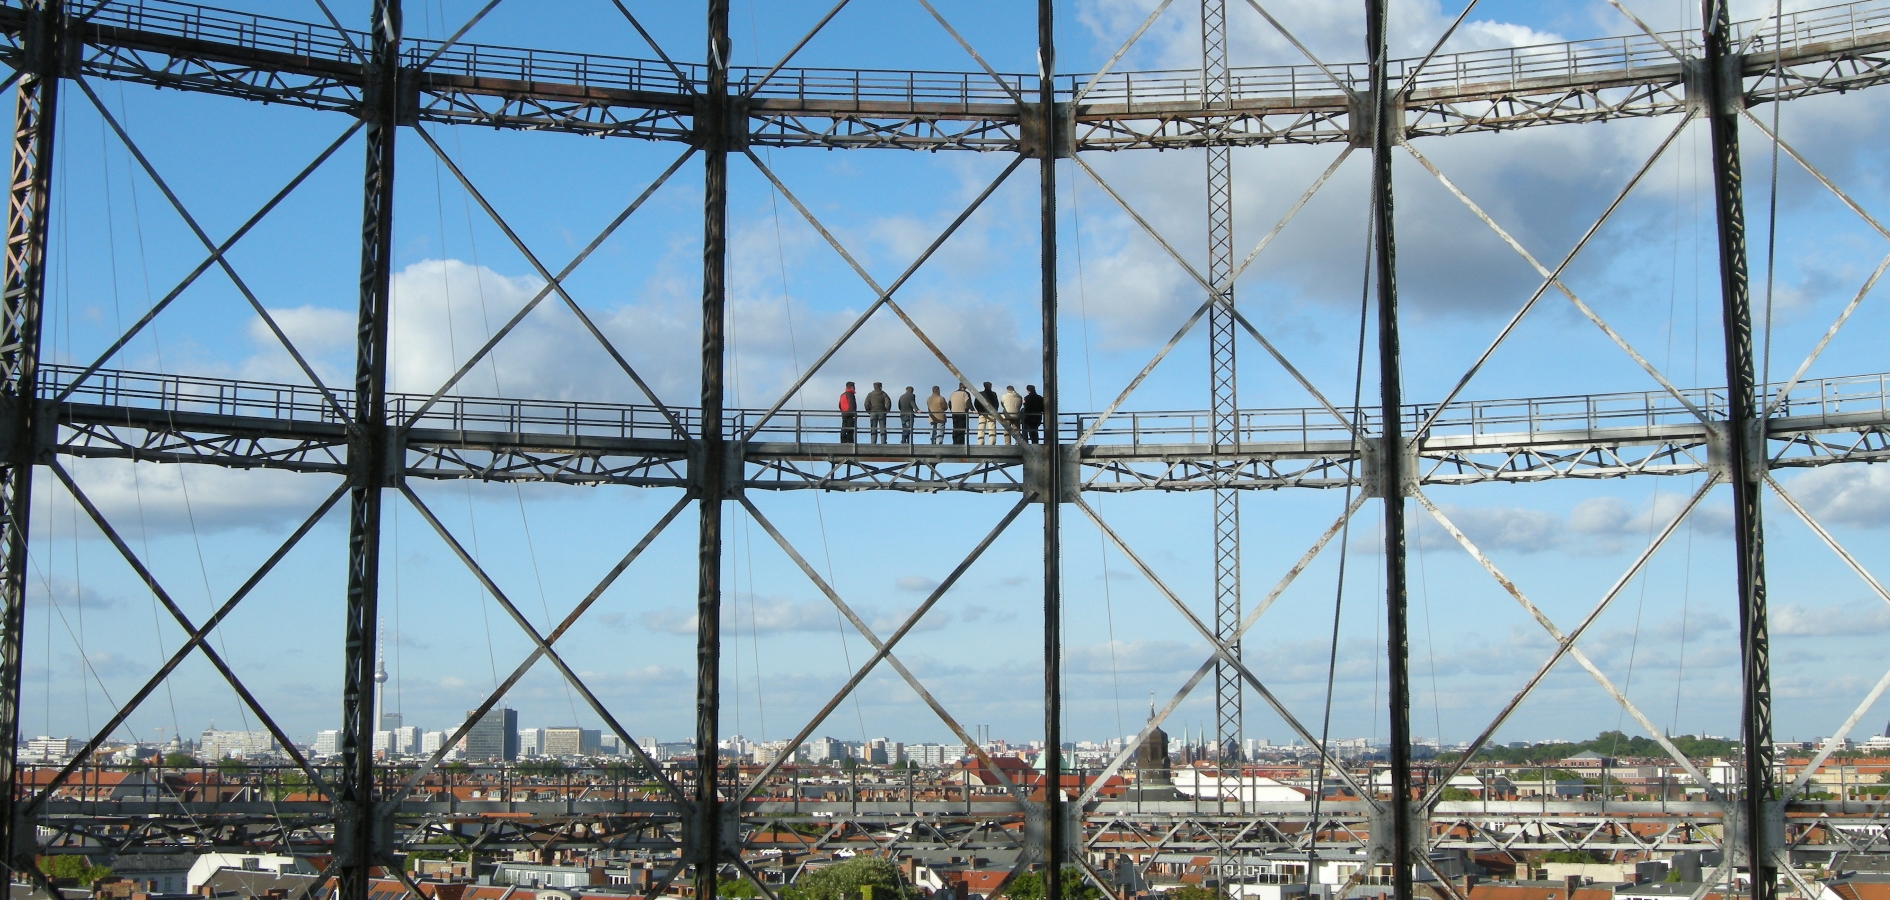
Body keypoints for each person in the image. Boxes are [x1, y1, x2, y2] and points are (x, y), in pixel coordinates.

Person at [977, 381, 1000, 445]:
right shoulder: (993, 394)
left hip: (982, 413)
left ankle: (980, 442)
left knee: (981, 428)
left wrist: (979, 410)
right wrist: (994, 411)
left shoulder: (980, 393)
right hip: (991, 413)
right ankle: (992, 442)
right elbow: (996, 403)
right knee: (992, 428)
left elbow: (976, 403)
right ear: (990, 386)